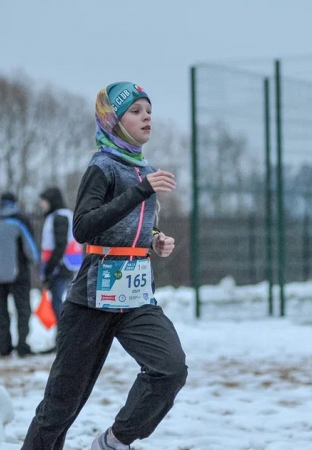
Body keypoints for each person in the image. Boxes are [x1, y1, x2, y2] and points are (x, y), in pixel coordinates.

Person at [21, 82, 187, 450]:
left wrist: (156, 239)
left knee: (170, 369)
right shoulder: (103, 167)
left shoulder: (144, 168)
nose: (146, 116)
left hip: (136, 297)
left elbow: (134, 222)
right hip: (93, 300)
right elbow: (84, 226)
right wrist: (142, 190)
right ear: (113, 121)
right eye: (136, 111)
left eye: (149, 110)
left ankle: (114, 441)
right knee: (60, 407)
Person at [0, 192, 38, 357]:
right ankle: (22, 346)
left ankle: (3, 347)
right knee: (22, 310)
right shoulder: (20, 219)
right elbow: (30, 250)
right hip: (19, 274)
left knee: (1, 310)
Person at [38, 187, 82, 323]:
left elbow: (60, 245)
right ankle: (61, 339)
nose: (41, 204)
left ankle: (62, 339)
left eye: (43, 200)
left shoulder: (59, 217)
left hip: (61, 265)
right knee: (60, 302)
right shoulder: (63, 215)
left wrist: (49, 270)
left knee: (58, 303)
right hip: (66, 264)